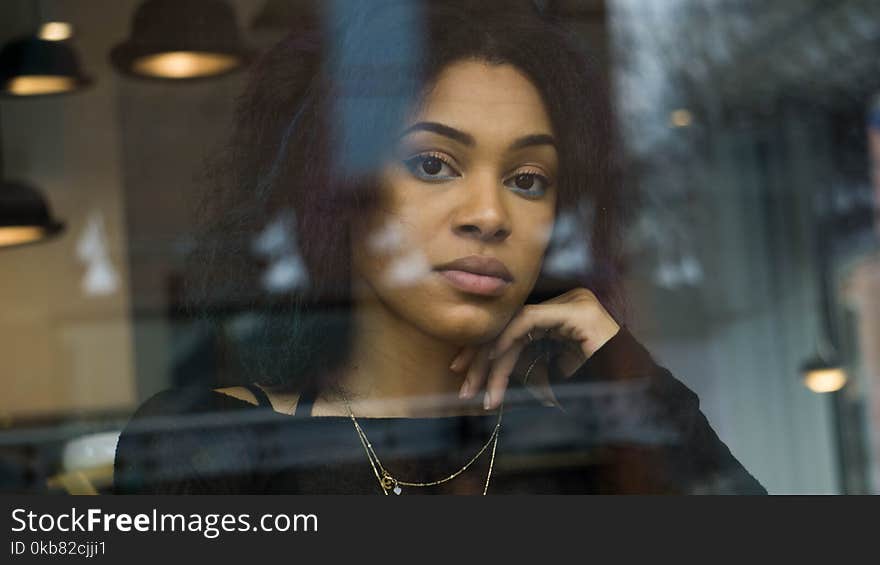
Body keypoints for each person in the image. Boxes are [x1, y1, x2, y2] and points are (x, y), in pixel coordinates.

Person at [113, 3, 767, 495]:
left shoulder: (580, 449)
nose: (489, 214)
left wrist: (617, 362)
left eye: (528, 180)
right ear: (342, 188)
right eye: (432, 164)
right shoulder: (216, 444)